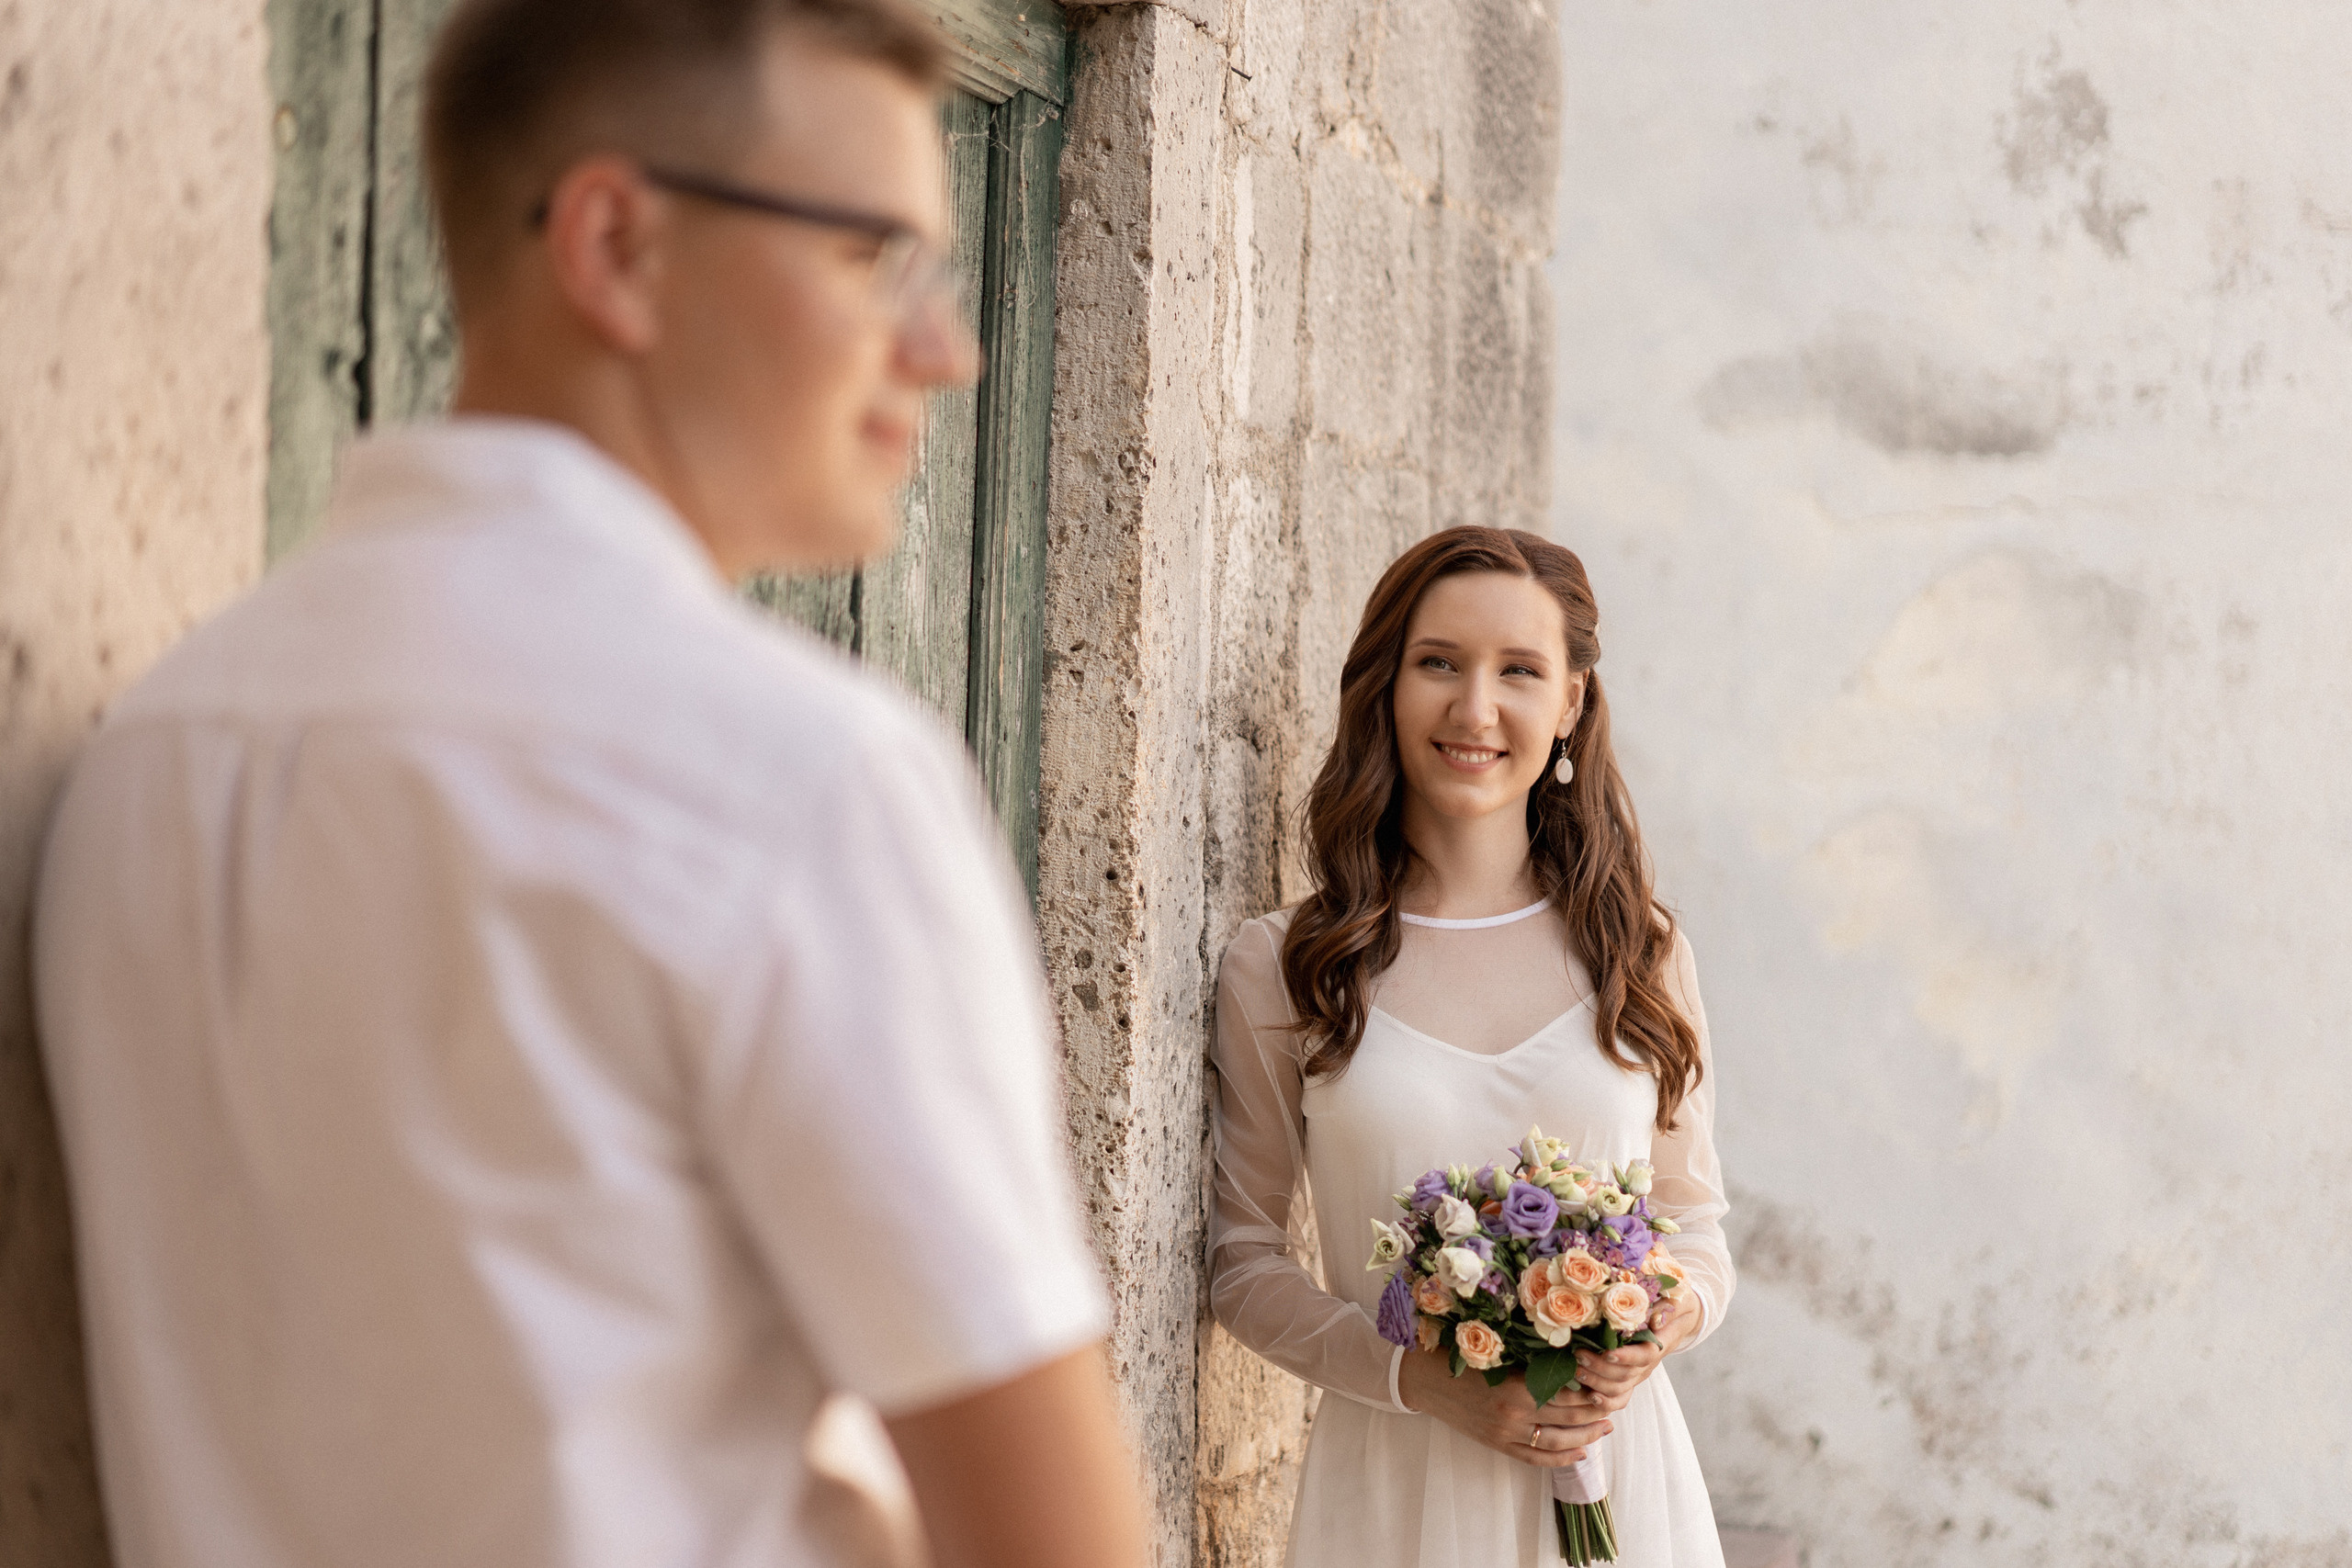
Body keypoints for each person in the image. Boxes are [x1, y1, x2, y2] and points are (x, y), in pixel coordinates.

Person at [32, 3, 1147, 1566]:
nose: (948, 348)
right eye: (876, 256)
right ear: (617, 244)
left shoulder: (155, 752)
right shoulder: (794, 778)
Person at [1208, 526, 1736, 1567]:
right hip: (1396, 1488)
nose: (1475, 710)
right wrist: (1422, 1379)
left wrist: (1643, 1330)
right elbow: (1242, 1265)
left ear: (1571, 702)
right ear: (1386, 686)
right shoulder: (1288, 963)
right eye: (1438, 663)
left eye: (1519, 672)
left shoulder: (1637, 949)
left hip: (1617, 1477)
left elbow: (1697, 1234)